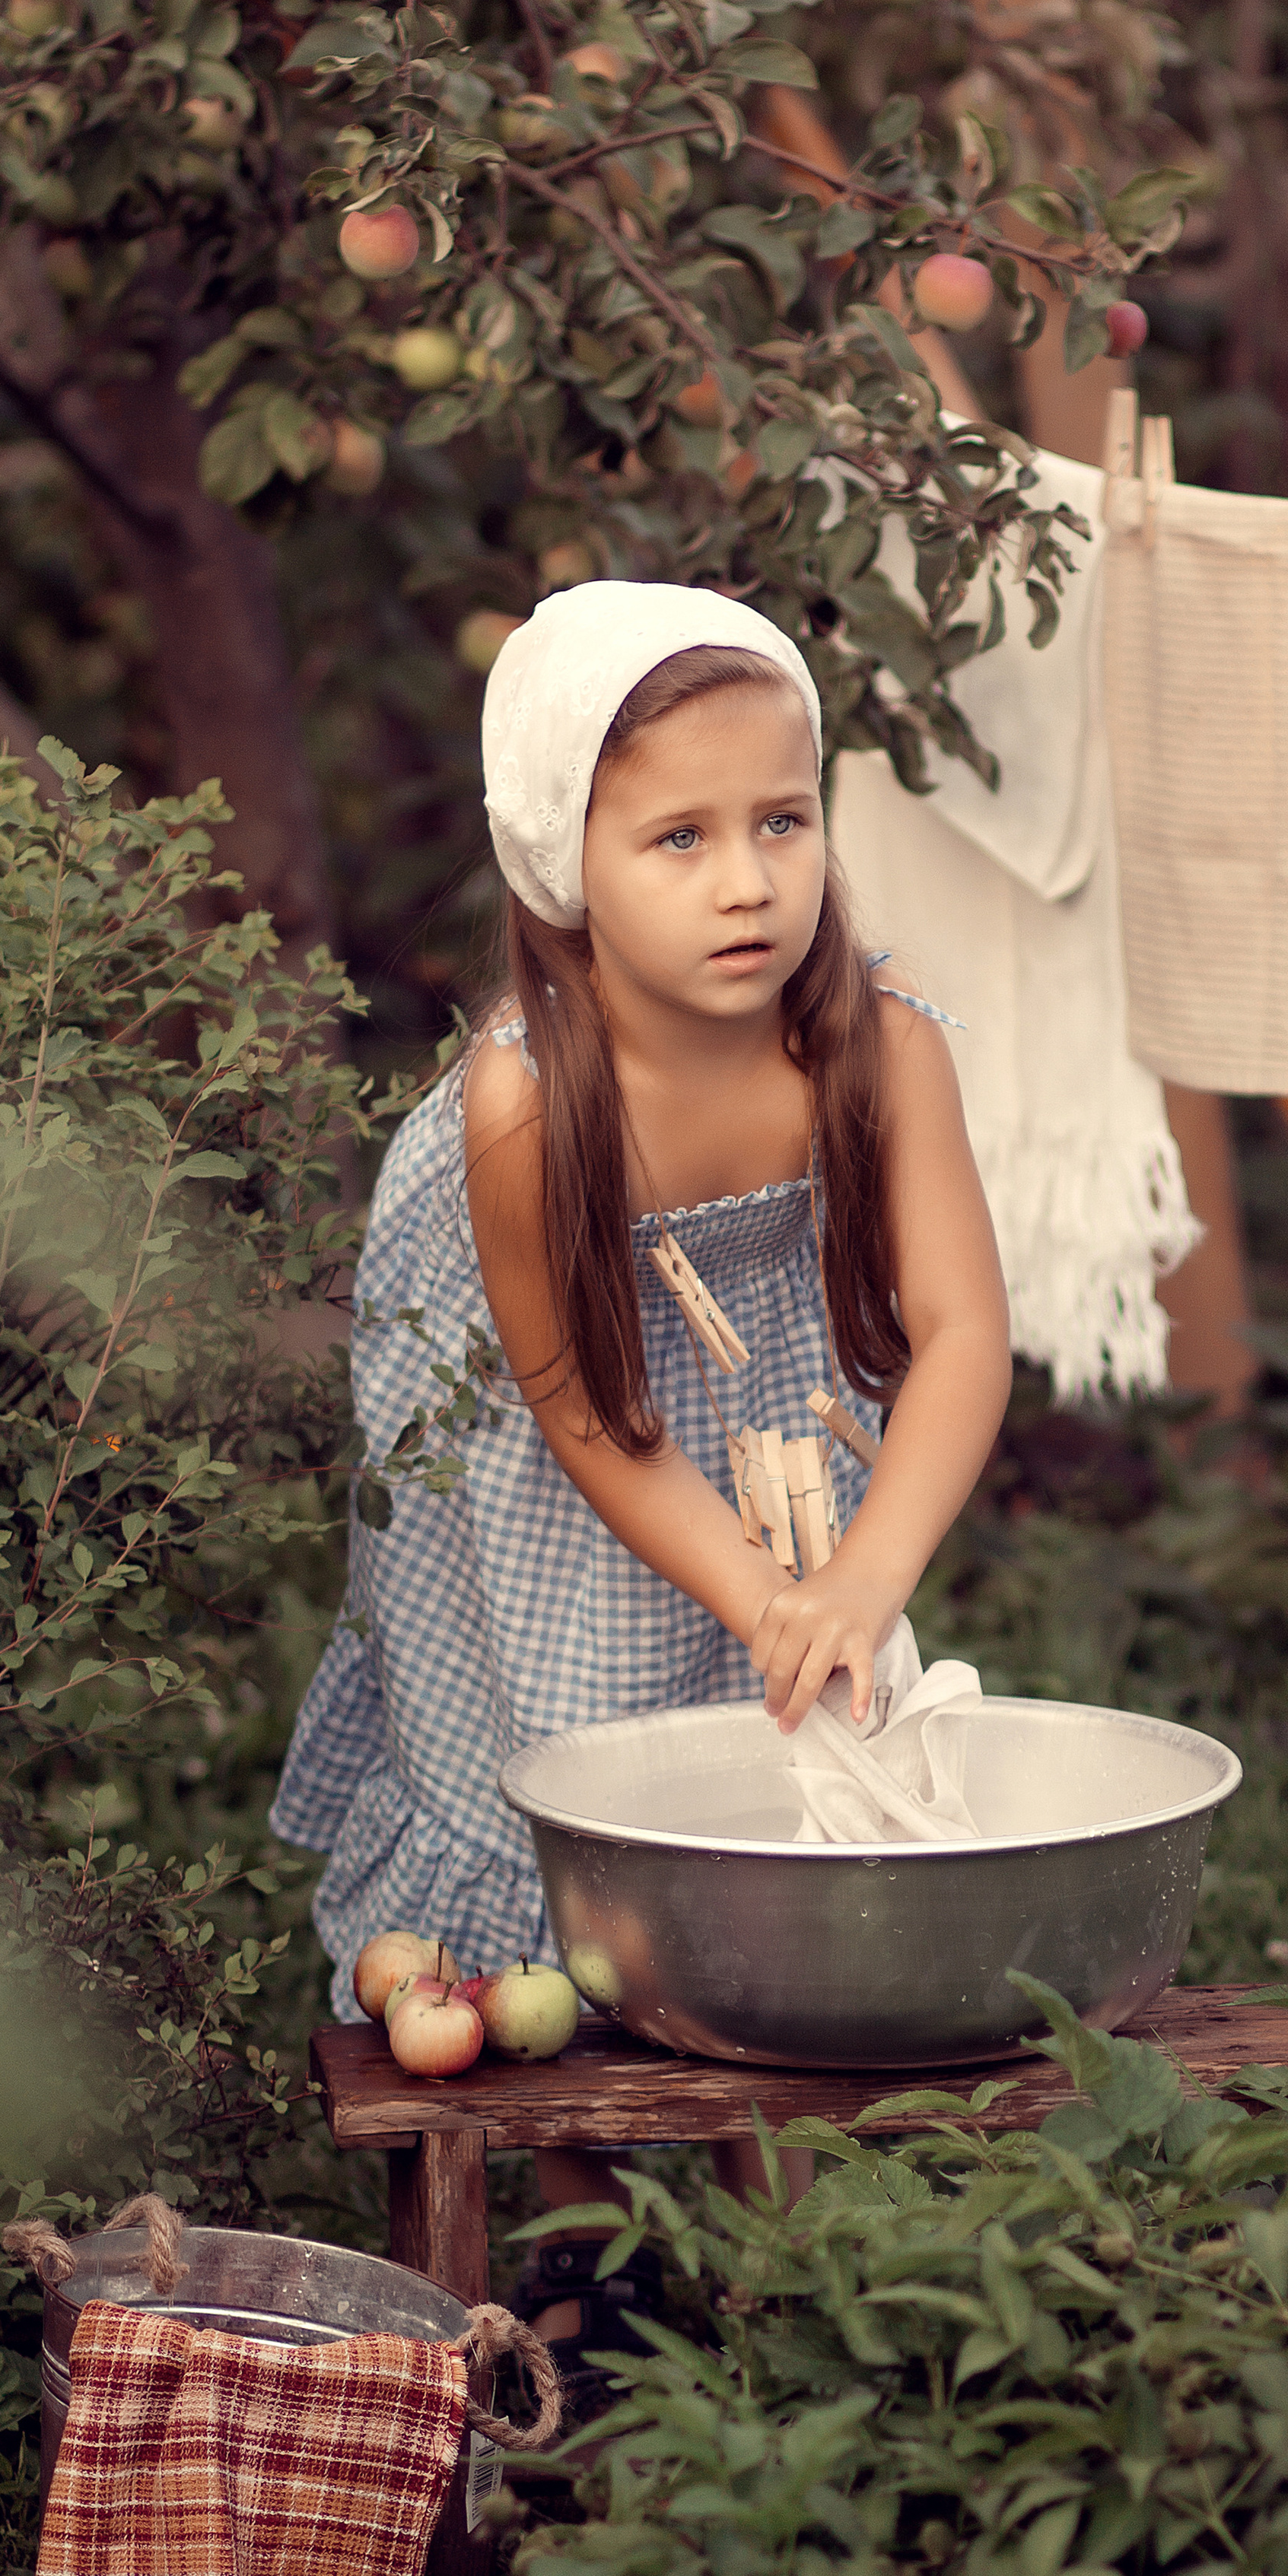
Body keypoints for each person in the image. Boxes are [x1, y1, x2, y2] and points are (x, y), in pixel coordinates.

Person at [273, 581, 1010, 2392]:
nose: (747, 882)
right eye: (677, 837)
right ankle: (591, 2224)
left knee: (784, 1739)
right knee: (567, 1741)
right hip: (543, 1436)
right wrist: (755, 1589)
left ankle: (767, 2198)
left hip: (765, 1420)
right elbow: (588, 1416)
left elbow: (963, 1334)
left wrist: (840, 1583)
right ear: (559, 862)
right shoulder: (528, 1106)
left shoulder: (874, 1044)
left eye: (779, 821)